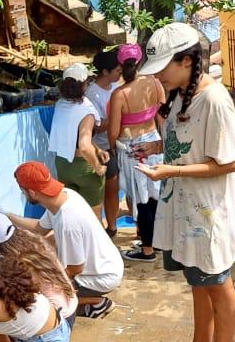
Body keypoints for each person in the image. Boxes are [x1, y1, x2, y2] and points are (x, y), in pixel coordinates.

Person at [134, 23, 235, 342]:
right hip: (182, 206)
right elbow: (187, 144)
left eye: (164, 66)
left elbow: (227, 160)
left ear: (189, 60)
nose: (159, 74)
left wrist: (170, 171)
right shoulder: (179, 96)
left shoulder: (215, 99)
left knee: (216, 280)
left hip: (207, 211)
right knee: (197, 278)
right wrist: (156, 149)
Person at [7, 161, 124, 318]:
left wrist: (43, 279)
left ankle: (96, 302)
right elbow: (39, 229)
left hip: (101, 277)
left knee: (37, 293)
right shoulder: (64, 196)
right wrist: (7, 215)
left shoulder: (68, 222)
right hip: (107, 264)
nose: (23, 194)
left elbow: (75, 269)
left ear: (32, 192)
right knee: (44, 247)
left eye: (23, 191)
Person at [107, 43, 166, 263]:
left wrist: (113, 149)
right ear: (141, 61)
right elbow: (162, 117)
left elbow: (113, 131)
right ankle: (158, 242)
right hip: (154, 142)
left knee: (141, 199)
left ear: (120, 65)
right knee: (155, 196)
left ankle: (148, 249)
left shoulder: (119, 94)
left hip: (131, 147)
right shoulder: (155, 82)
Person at [48, 64, 109, 215]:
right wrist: (98, 167)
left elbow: (72, 134)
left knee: (71, 215)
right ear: (84, 84)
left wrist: (98, 149)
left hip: (62, 164)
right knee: (93, 219)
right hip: (84, 167)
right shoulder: (86, 110)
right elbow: (83, 145)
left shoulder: (60, 104)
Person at [85, 49, 122, 237]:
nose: (120, 73)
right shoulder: (92, 94)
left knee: (114, 189)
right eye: (116, 70)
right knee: (107, 189)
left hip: (118, 143)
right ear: (105, 72)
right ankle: (103, 229)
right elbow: (95, 128)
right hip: (102, 147)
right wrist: (115, 116)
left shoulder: (117, 88)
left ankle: (113, 226)